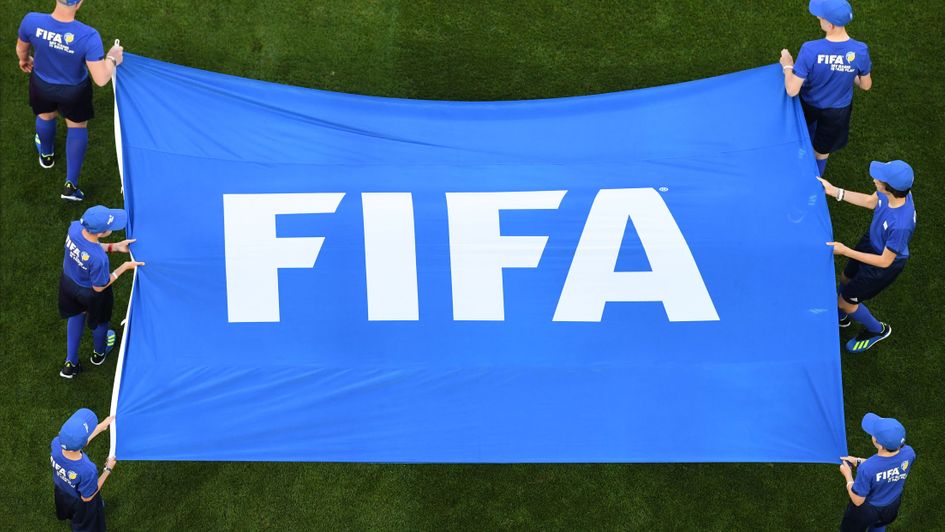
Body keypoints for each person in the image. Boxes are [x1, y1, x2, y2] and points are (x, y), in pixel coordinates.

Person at [16, 0, 124, 201]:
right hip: (74, 92)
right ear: (79, 2)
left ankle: (46, 156)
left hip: (42, 85)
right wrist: (112, 58)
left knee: (45, 116)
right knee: (77, 127)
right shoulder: (88, 36)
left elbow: (22, 50)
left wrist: (24, 60)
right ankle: (70, 186)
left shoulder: (31, 21)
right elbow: (101, 79)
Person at [818, 160, 916, 353]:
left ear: (889, 187)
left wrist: (845, 250)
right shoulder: (895, 192)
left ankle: (877, 330)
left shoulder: (901, 225)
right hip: (872, 242)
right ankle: (842, 314)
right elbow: (872, 201)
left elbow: (885, 261)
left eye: (879, 178)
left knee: (846, 301)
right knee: (846, 277)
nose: (874, 179)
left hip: (882, 265)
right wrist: (835, 191)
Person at [779, 0, 871, 176]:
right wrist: (847, 71)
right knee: (822, 151)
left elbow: (792, 90)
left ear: (829, 25)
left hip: (809, 104)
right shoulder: (861, 50)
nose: (818, 19)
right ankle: (814, 183)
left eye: (820, 17)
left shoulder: (810, 49)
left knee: (802, 133)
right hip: (837, 113)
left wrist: (787, 65)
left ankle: (798, 159)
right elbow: (866, 85)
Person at [59, 205, 143, 378]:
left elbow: (87, 247)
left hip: (68, 285)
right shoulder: (99, 260)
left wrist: (115, 247)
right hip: (91, 293)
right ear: (101, 232)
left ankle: (70, 363)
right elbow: (99, 287)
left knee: (76, 315)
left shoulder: (75, 227)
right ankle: (99, 354)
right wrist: (123, 268)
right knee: (100, 322)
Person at [839, 413, 915, 531]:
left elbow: (858, 500)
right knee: (879, 525)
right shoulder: (909, 453)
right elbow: (886, 465)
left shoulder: (867, 469)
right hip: (892, 506)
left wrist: (847, 475)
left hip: (867, 511)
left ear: (879, 444)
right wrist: (858, 461)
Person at [51, 409, 117, 532]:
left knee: (66, 509)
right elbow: (87, 497)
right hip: (81, 504)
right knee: (87, 524)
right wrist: (108, 469)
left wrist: (101, 427)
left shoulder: (55, 444)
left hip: (62, 492)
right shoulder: (88, 470)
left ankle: (65, 515)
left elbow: (75, 444)